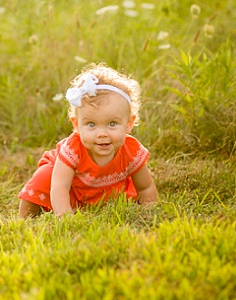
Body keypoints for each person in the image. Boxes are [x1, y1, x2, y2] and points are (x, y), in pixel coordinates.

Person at [18, 63, 157, 218]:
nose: (102, 134)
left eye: (112, 124)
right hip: (71, 192)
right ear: (76, 125)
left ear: (129, 124)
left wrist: (149, 212)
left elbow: (145, 187)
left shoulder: (131, 150)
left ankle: (96, 206)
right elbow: (60, 187)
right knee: (44, 176)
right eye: (91, 124)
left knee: (125, 197)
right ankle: (26, 216)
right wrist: (65, 218)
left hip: (108, 191)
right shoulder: (73, 149)